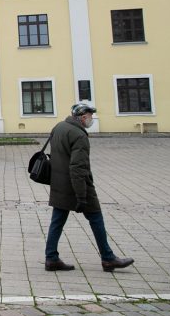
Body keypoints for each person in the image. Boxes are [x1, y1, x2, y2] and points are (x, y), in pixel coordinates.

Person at [44, 101, 135, 272]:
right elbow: (78, 167)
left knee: (57, 221)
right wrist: (81, 196)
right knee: (96, 219)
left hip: (59, 183)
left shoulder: (59, 127)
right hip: (78, 185)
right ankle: (108, 258)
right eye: (90, 116)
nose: (91, 119)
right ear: (83, 117)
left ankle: (51, 258)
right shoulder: (79, 135)